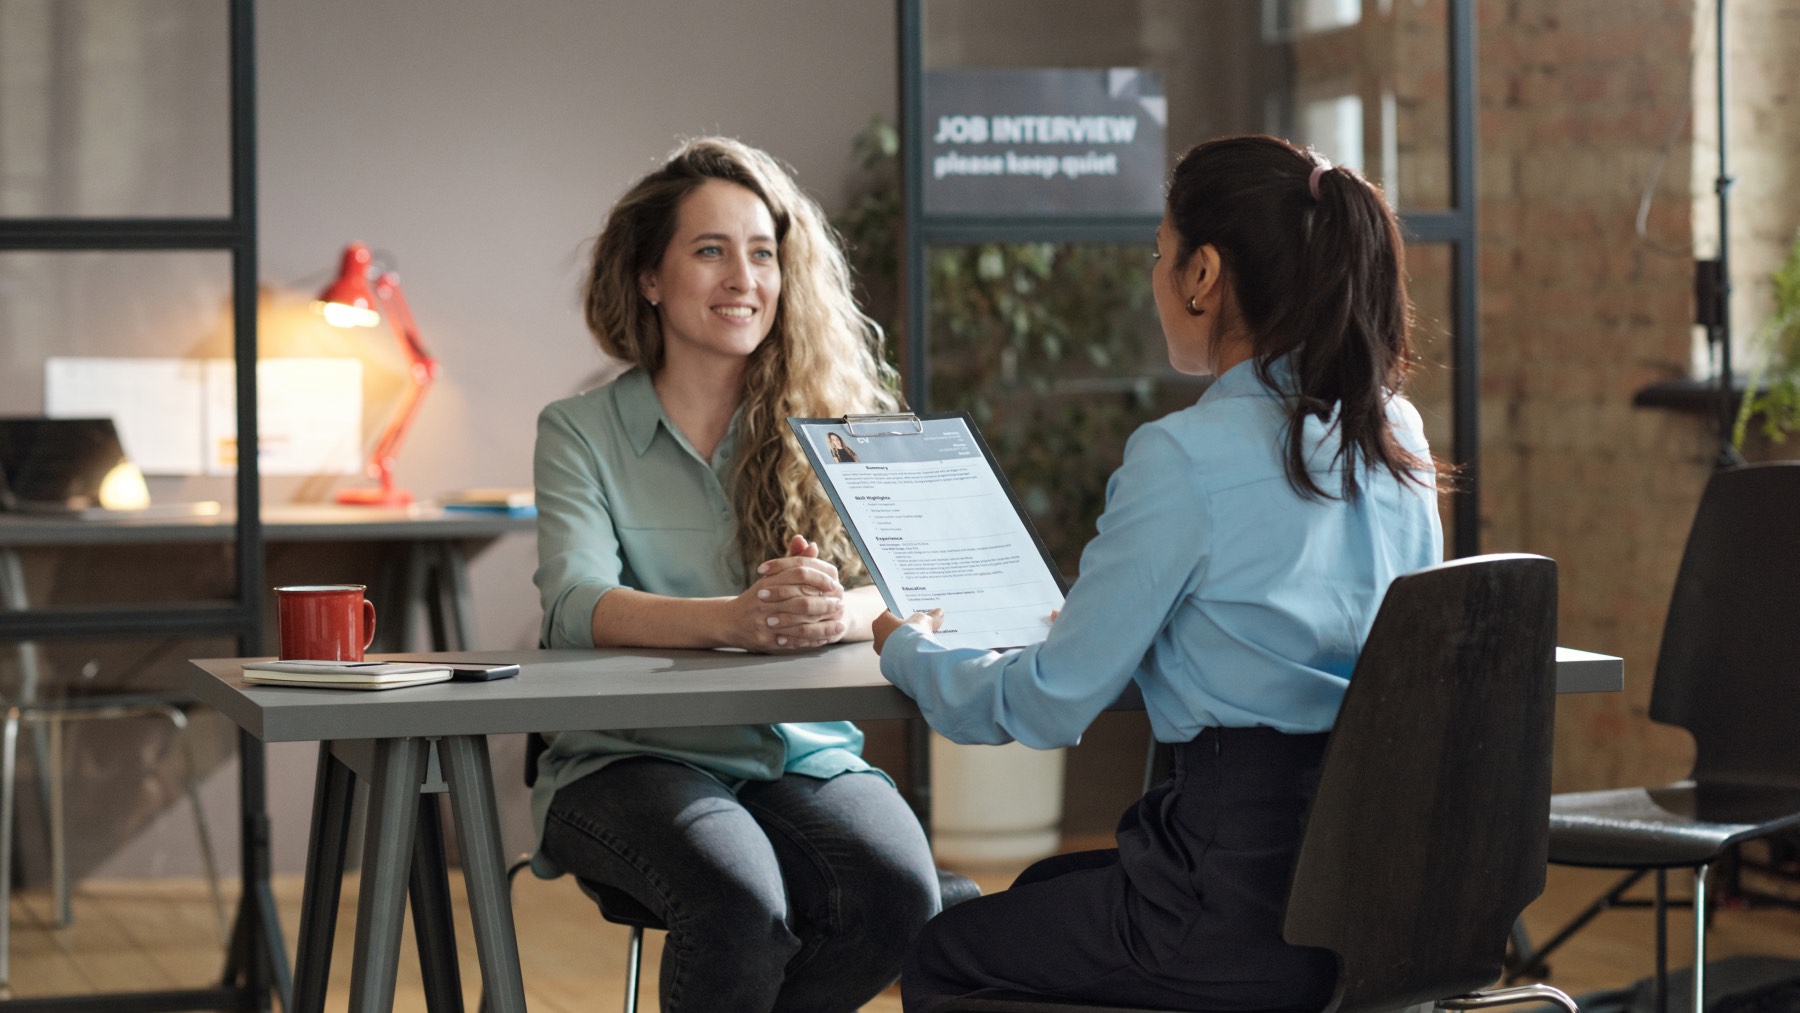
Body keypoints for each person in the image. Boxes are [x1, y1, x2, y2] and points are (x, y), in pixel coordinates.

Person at [873, 135, 1444, 1012]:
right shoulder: (1396, 433)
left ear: (1203, 274)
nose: (1155, 275)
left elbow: (1047, 702)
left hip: (1226, 905)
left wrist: (908, 648)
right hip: (1377, 898)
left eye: (1159, 253)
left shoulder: (1183, 455)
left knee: (951, 951)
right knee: (1041, 894)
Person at [532, 136, 939, 1013]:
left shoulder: (835, 424)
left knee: (905, 903)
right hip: (629, 757)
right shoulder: (578, 430)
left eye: (762, 254)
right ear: (649, 276)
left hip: (800, 752)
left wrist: (830, 612)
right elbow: (574, 604)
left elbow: (912, 585)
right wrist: (738, 618)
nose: (742, 277)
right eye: (710, 250)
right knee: (744, 905)